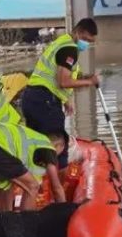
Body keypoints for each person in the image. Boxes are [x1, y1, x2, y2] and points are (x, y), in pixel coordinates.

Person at [21, 17, 100, 166]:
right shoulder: (69, 49)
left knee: (36, 145)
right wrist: (90, 82)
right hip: (45, 101)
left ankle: (38, 183)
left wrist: (66, 99)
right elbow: (63, 81)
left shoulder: (60, 42)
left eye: (90, 42)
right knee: (59, 146)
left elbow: (53, 76)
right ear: (78, 32)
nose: (87, 44)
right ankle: (58, 187)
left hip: (31, 98)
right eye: (86, 39)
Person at [0, 123, 67, 211]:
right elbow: (56, 187)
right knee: (32, 186)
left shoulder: (34, 140)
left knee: (2, 186)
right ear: (58, 146)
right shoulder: (48, 147)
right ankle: (25, 224)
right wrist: (63, 211)